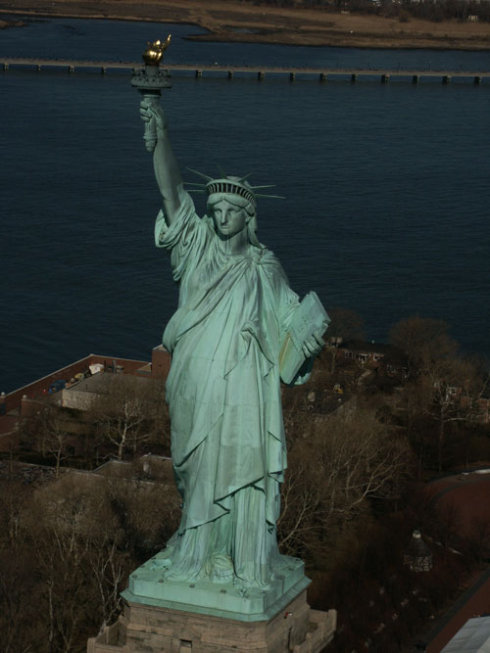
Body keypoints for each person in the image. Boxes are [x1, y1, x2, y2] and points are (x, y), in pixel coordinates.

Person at [140, 99, 324, 590]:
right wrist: (161, 137)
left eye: (230, 211)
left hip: (243, 381)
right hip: (195, 376)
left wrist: (310, 338)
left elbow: (289, 329)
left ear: (248, 216)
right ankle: (197, 541)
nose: (221, 216)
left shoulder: (266, 267)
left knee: (239, 460)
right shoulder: (196, 246)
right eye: (215, 209)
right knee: (196, 461)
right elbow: (172, 192)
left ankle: (230, 552)